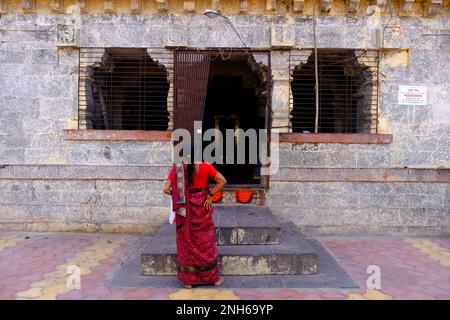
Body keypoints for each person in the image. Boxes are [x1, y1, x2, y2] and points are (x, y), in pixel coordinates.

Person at [163, 155, 227, 289]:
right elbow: (222, 181)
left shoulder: (178, 168)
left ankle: (188, 281)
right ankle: (213, 279)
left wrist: (178, 195)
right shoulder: (206, 166)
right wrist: (209, 195)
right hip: (203, 207)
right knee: (206, 242)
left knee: (186, 243)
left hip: (184, 211)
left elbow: (166, 189)